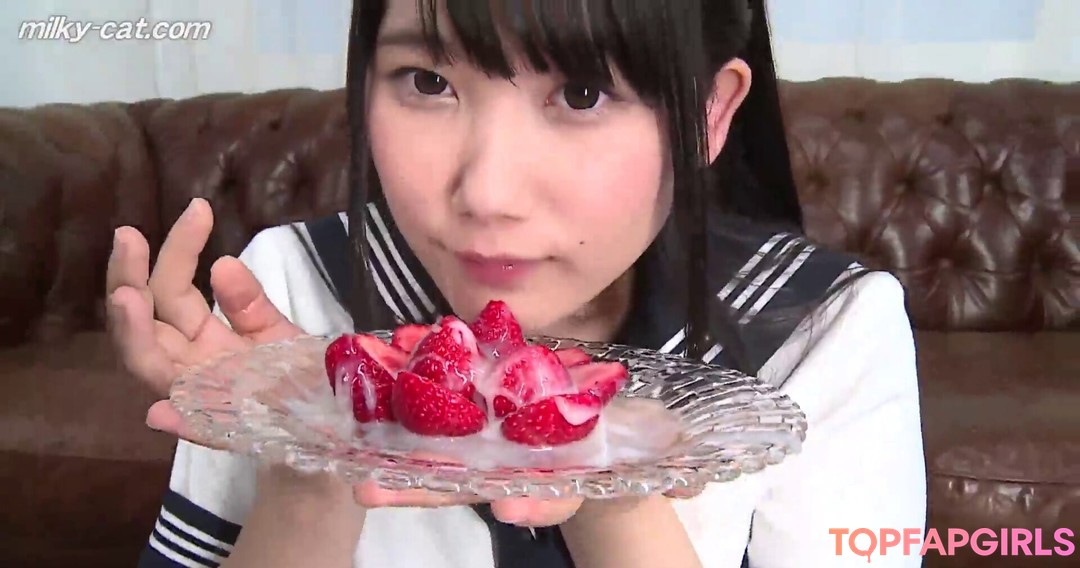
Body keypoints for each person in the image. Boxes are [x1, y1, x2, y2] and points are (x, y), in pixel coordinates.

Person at [106, 0, 927, 566]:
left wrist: (614, 490)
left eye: (581, 92)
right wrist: (311, 466)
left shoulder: (824, 329)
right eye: (428, 82)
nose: (487, 194)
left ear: (709, 112)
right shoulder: (288, 294)